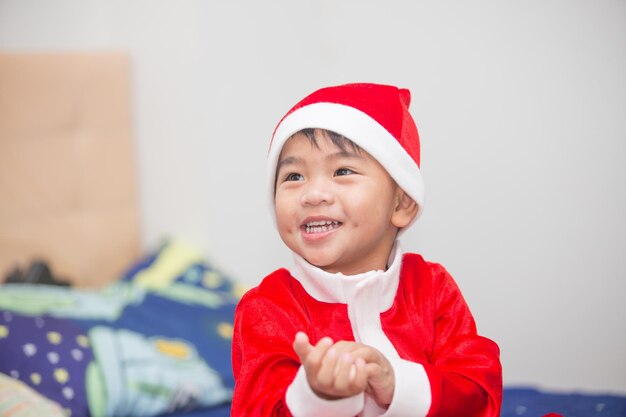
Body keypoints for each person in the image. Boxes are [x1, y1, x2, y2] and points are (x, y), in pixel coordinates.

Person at [231, 83, 502, 417]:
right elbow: (255, 408)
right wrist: (317, 397)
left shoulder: (431, 289)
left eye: (342, 171)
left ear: (401, 203)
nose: (313, 194)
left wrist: (398, 385)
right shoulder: (268, 308)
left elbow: (479, 391)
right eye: (294, 176)